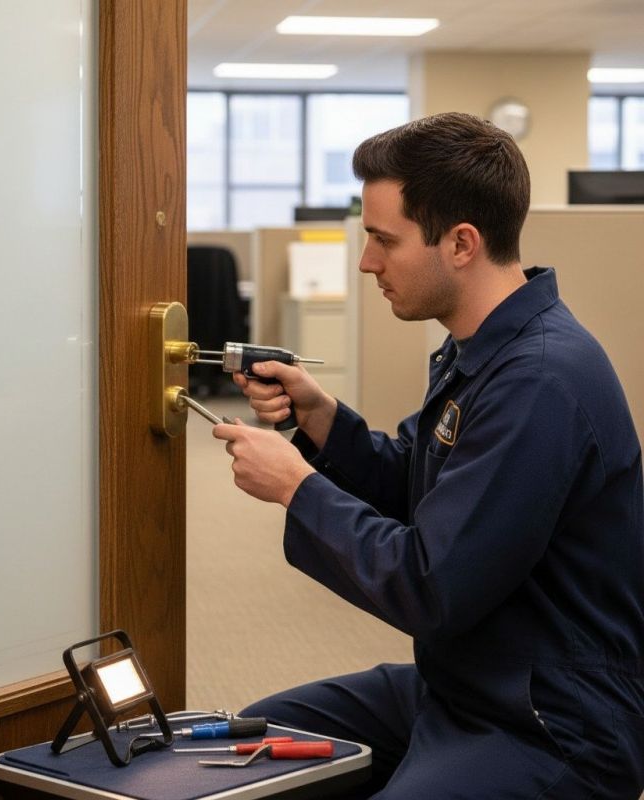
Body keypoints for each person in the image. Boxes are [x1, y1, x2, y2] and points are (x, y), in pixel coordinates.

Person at [212, 112, 644, 798]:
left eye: (384, 240)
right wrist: (323, 422)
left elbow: (432, 585)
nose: (366, 262)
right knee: (256, 744)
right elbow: (419, 482)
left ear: (462, 244)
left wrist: (297, 487)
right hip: (463, 686)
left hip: (547, 717)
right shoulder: (482, 350)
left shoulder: (540, 381)